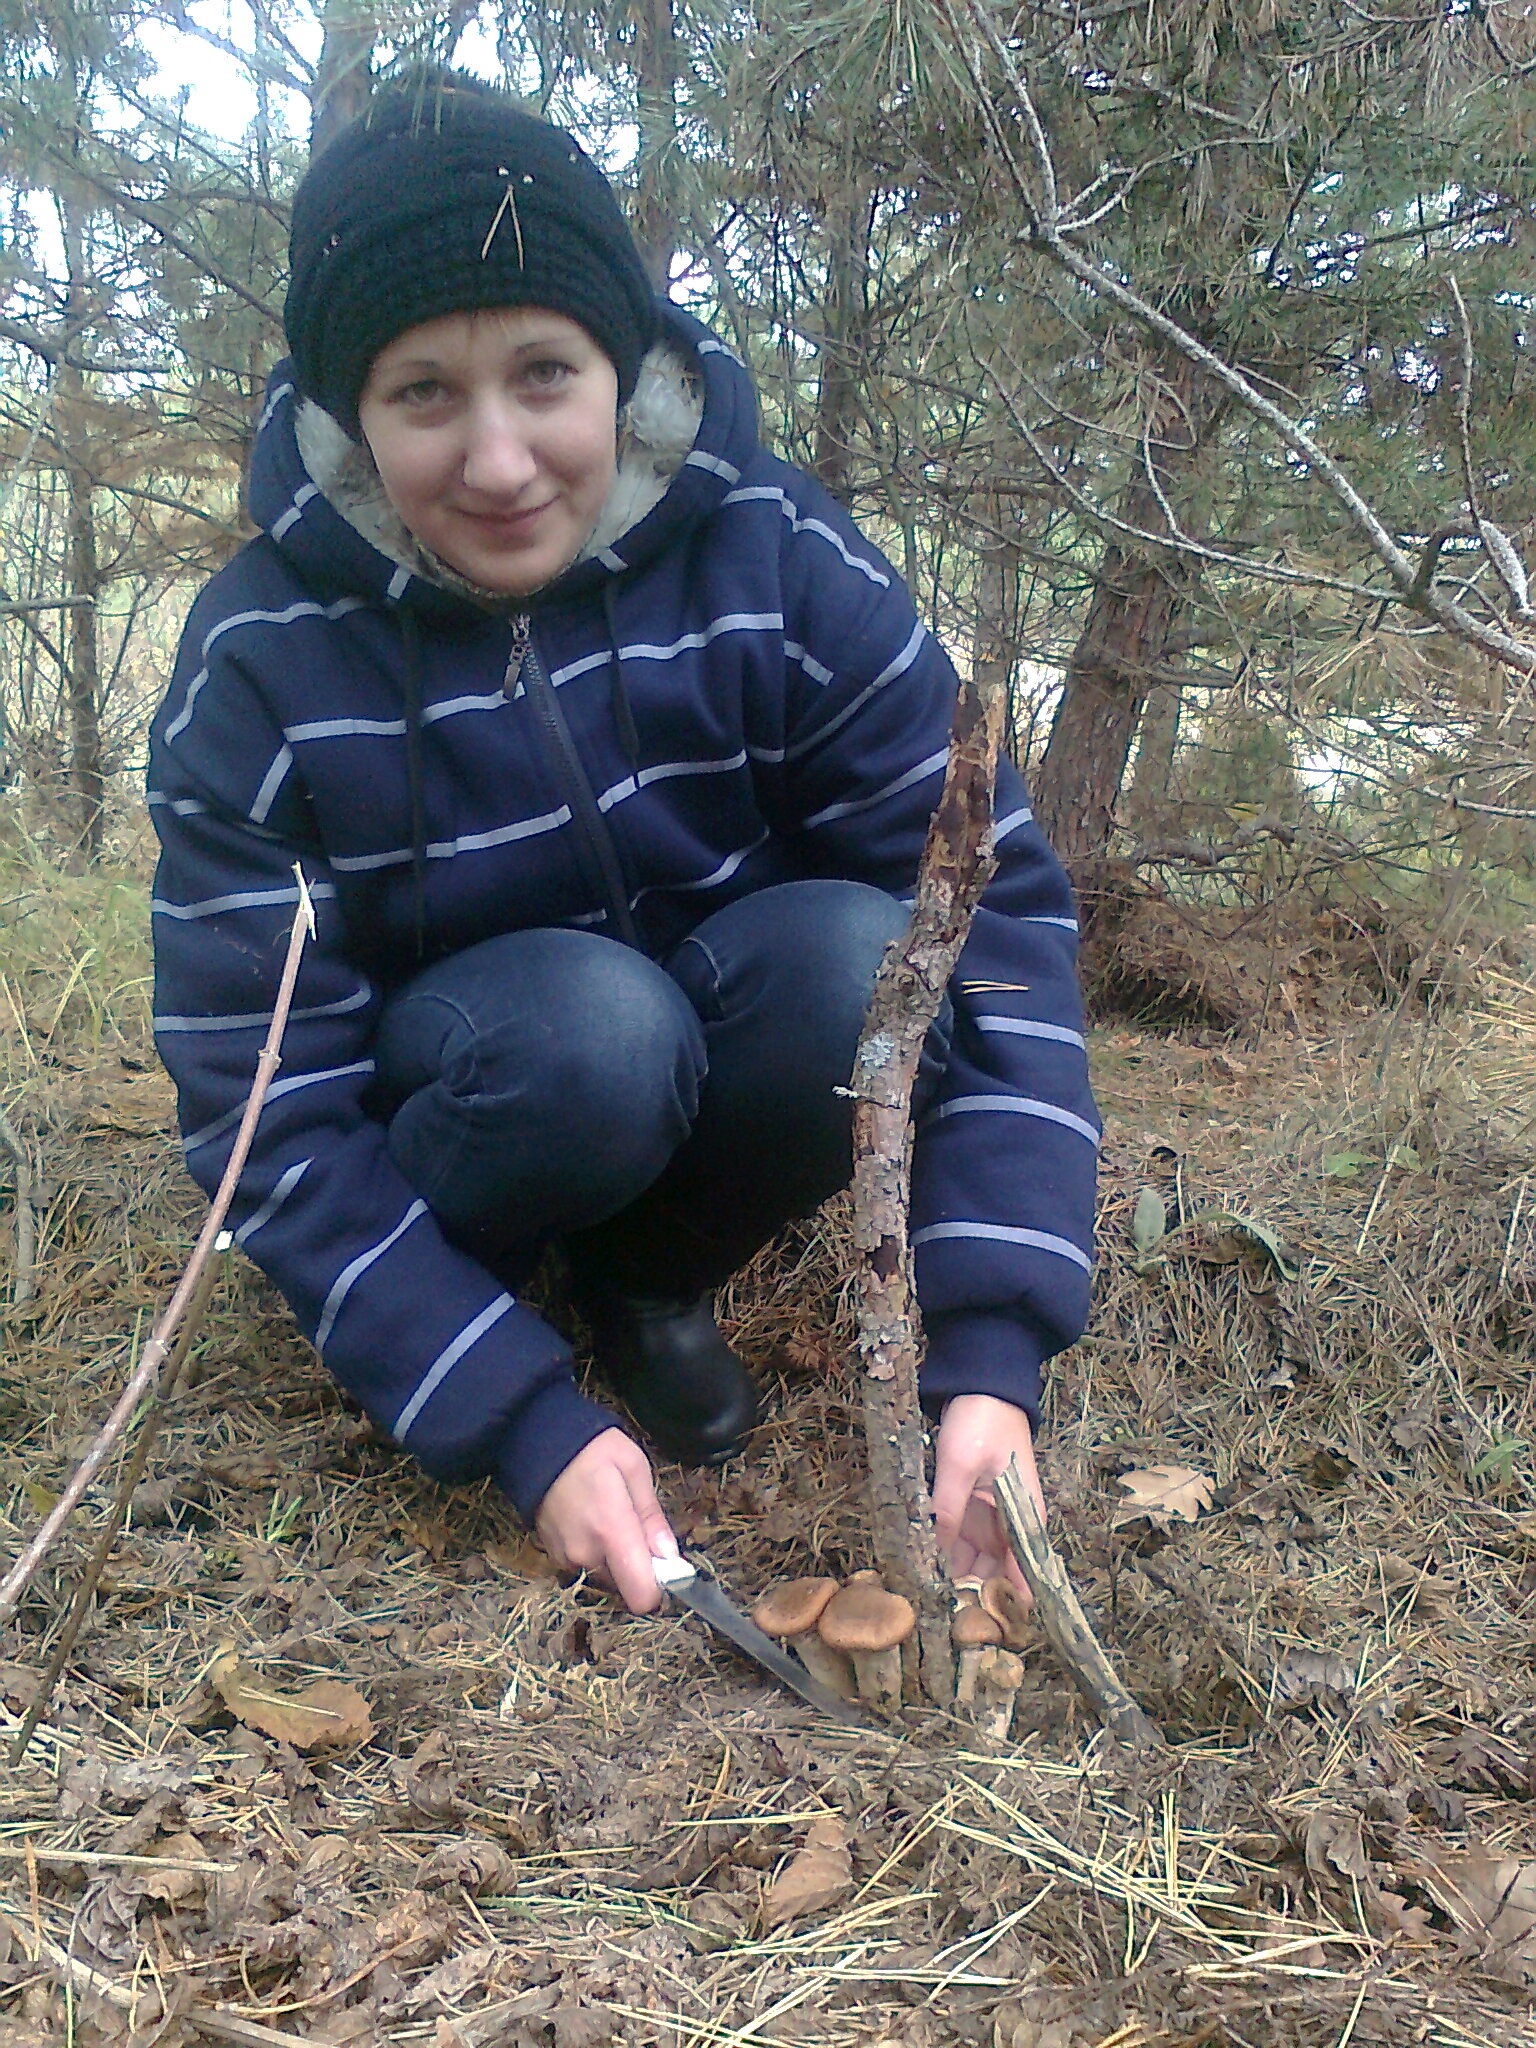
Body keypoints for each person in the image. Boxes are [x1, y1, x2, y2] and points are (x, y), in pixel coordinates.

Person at [147, 71, 1099, 1617]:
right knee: (592, 1032)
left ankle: (647, 1275)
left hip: (715, 1053)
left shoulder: (776, 556)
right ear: (348, 415)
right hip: (479, 1108)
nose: (499, 461)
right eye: (423, 394)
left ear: (625, 364)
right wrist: (516, 1417)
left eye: (544, 374)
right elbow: (266, 1110)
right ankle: (499, 1301)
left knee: (862, 966)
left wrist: (992, 1355)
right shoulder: (261, 664)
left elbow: (989, 932)